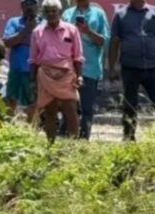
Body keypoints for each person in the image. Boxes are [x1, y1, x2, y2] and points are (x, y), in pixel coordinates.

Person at [109, 0, 155, 141]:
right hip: (130, 67)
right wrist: (112, 67)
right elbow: (114, 42)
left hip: (153, 67)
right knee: (130, 104)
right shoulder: (120, 14)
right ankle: (129, 138)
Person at [30, 0, 84, 143]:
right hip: (45, 75)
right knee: (49, 112)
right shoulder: (37, 32)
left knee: (71, 110)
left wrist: (79, 76)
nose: (51, 14)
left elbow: (78, 57)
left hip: (67, 75)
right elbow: (33, 60)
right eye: (47, 11)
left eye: (54, 11)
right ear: (43, 13)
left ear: (60, 12)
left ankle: (74, 145)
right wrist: (33, 81)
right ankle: (51, 145)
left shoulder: (72, 30)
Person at [62, 0, 109, 140]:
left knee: (87, 108)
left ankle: (83, 140)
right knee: (67, 106)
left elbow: (104, 41)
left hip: (91, 68)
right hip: (68, 67)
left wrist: (88, 31)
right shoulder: (67, 14)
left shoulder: (99, 14)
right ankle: (65, 138)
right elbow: (59, 39)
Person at [3, 0, 39, 122]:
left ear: (37, 6)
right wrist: (25, 30)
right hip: (16, 69)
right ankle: (7, 127)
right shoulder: (13, 22)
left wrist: (21, 39)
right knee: (11, 99)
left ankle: (30, 129)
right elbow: (7, 42)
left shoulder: (43, 24)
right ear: (22, 6)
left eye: (32, 4)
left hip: (34, 70)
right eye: (26, 4)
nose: (29, 7)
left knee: (34, 100)